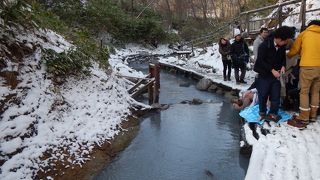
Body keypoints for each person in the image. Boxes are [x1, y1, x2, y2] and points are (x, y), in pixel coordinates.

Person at [254, 26, 295, 122]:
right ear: (279, 39)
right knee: (263, 94)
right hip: (264, 74)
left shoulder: (281, 46)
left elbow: (283, 57)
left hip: (276, 74)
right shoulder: (264, 45)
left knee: (276, 95)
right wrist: (272, 70)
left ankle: (273, 113)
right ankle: (262, 112)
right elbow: (260, 61)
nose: (286, 43)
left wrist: (283, 66)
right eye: (285, 41)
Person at [286, 20, 320, 129]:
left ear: (309, 26)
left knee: (304, 92)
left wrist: (289, 55)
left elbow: (295, 49)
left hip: (308, 66)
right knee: (316, 92)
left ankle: (304, 117)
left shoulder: (304, 34)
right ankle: (313, 116)